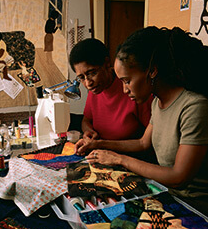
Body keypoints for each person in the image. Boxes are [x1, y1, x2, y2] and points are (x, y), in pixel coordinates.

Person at [81, 26, 208, 215]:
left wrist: (119, 159)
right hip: (167, 193)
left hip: (195, 207)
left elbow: (178, 176)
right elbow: (143, 143)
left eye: (127, 81)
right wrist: (99, 145)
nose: (124, 90)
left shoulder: (194, 106)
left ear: (152, 71)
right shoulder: (158, 102)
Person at [69, 38, 153, 153]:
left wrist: (101, 144)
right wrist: (88, 132)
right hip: (102, 154)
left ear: (107, 63)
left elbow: (149, 141)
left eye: (92, 73)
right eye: (82, 78)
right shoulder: (96, 89)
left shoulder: (133, 89)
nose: (88, 83)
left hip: (131, 158)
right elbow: (86, 120)